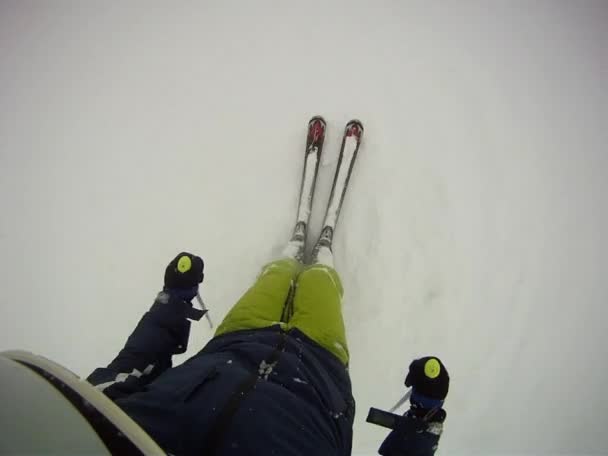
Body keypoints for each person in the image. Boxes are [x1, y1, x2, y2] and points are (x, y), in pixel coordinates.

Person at [88, 248, 449, 455]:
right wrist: (422, 419)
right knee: (321, 284)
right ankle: (322, 264)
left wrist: (173, 301)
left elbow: (129, 369)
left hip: (237, 337)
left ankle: (288, 259)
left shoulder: (97, 433)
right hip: (321, 365)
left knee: (274, 277)